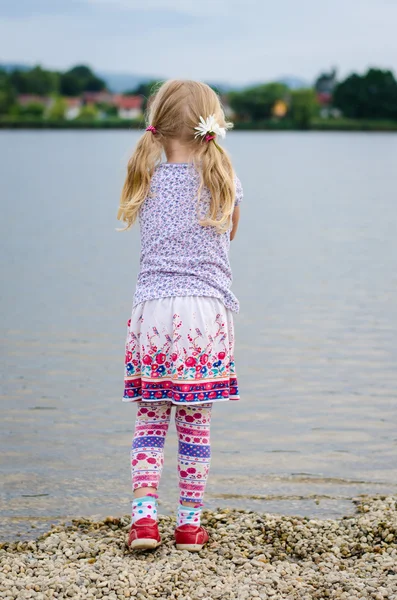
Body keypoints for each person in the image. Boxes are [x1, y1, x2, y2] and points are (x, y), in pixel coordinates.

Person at [117, 79, 243, 552]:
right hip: (204, 315)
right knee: (195, 423)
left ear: (158, 126)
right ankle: (189, 526)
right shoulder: (223, 180)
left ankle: (144, 522)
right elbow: (230, 235)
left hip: (153, 310)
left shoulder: (144, 178)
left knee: (150, 419)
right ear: (211, 127)